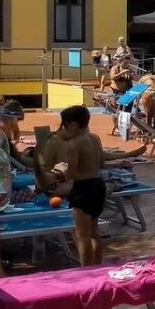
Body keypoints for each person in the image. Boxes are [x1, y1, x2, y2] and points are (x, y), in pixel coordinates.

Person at [51, 106, 105, 266]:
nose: (62, 128)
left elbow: (72, 174)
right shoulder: (95, 139)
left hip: (83, 189)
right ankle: (97, 267)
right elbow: (101, 164)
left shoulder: (74, 144)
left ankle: (86, 271)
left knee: (83, 235)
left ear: (73, 125)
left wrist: (61, 169)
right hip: (98, 186)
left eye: (64, 124)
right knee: (94, 233)